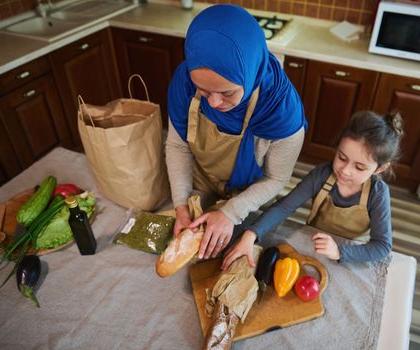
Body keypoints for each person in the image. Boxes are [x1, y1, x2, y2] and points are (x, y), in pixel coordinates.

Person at [166, 5, 307, 260]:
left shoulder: (282, 111)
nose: (214, 104)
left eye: (227, 92)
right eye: (204, 91)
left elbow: (276, 179)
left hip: (248, 195)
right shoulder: (183, 82)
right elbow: (178, 146)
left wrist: (232, 212)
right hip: (200, 181)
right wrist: (181, 204)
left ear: (252, 71)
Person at [221, 111, 404, 269]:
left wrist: (340, 251)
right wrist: (251, 234)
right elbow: (283, 207)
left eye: (359, 168)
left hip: (350, 251)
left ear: (379, 168)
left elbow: (381, 247)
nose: (345, 171)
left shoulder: (378, 194)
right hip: (314, 240)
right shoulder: (321, 175)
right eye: (342, 157)